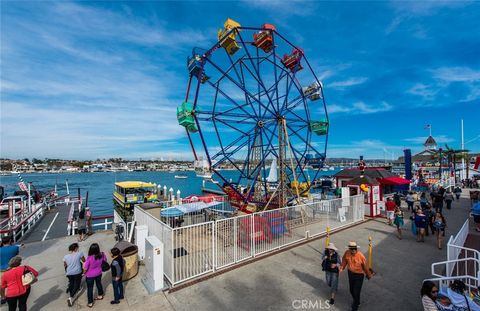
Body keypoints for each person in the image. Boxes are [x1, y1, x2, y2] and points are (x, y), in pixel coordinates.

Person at [340, 241, 373, 311]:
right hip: (350, 274)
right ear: (349, 249)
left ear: (356, 248)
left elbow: (365, 267)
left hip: (359, 275)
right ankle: (357, 300)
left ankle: (355, 305)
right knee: (351, 290)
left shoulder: (361, 256)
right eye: (352, 249)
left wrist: (368, 275)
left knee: (356, 291)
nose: (353, 250)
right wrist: (341, 268)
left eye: (354, 248)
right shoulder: (347, 253)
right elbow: (344, 261)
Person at [84, 243, 106, 308]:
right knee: (99, 284)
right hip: (99, 273)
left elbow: (85, 268)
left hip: (90, 276)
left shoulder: (89, 258)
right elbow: (105, 261)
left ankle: (90, 303)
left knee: (90, 288)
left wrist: (83, 273)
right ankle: (100, 295)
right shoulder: (102, 254)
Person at [63, 243, 85, 307]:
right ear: (76, 248)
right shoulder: (79, 253)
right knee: (77, 285)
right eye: (77, 248)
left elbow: (65, 265)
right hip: (77, 272)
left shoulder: (65, 256)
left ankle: (70, 290)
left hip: (69, 272)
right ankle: (71, 297)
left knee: (72, 282)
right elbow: (84, 260)